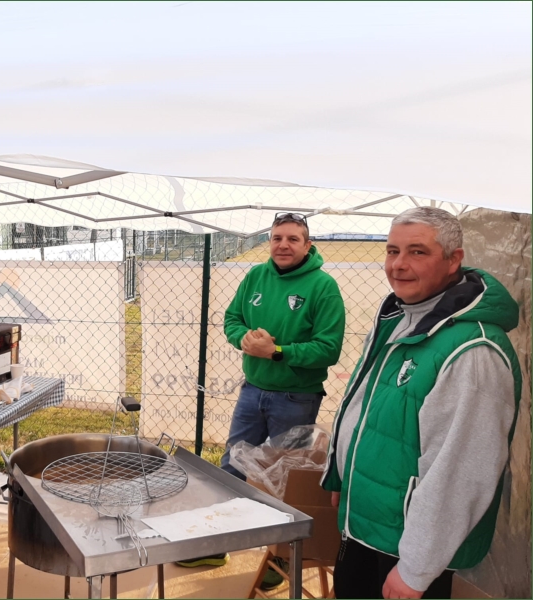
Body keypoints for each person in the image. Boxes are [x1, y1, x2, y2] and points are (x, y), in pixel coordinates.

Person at [322, 207, 521, 599]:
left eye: (417, 252)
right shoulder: (400, 317)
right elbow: (360, 404)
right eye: (392, 251)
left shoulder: (473, 350)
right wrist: (342, 476)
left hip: (408, 551)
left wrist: (416, 570)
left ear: (453, 260)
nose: (398, 265)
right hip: (366, 525)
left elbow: (462, 471)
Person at [177, 212, 346, 578]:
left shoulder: (323, 286)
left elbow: (329, 349)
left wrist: (277, 352)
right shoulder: (256, 276)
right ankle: (215, 545)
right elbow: (232, 320)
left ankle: (282, 559)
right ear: (269, 242)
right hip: (252, 391)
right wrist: (244, 339)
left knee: (287, 480)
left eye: (293, 239)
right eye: (277, 238)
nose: (283, 245)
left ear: (307, 245)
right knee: (232, 467)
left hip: (296, 398)